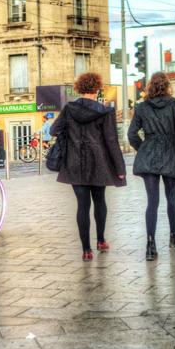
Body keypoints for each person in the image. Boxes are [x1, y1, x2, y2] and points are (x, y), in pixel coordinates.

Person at [50, 72, 126, 260]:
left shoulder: (69, 109)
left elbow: (53, 130)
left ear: (79, 88)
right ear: (97, 88)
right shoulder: (105, 111)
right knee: (99, 201)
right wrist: (120, 169)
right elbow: (111, 141)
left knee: (82, 205)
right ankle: (101, 240)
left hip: (74, 163)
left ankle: (86, 250)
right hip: (99, 162)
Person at [128, 72, 175, 261]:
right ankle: (174, 235)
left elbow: (132, 134)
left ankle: (150, 245)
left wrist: (143, 148)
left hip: (149, 154)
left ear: (150, 86)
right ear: (167, 86)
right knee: (171, 198)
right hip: (171, 154)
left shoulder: (142, 107)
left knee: (152, 201)